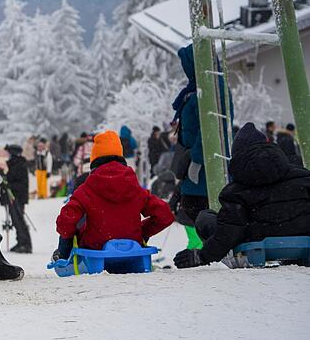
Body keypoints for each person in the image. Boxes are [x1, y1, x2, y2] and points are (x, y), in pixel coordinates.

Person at [174, 123, 310, 269]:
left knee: (205, 217)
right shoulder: (303, 177)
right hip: (303, 234)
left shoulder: (235, 192)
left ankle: (235, 260)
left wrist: (201, 256)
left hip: (254, 240)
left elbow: (227, 233)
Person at [54, 131, 174, 260]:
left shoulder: (86, 190)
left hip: (95, 250)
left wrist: (68, 238)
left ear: (94, 160)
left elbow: (65, 222)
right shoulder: (136, 189)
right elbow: (165, 215)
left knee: (73, 224)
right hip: (132, 249)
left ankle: (63, 256)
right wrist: (143, 231)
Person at [171, 44, 232, 250]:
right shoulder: (196, 89)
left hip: (205, 164)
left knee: (197, 206)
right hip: (193, 162)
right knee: (191, 205)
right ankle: (199, 246)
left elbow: (212, 127)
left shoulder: (213, 88)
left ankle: (204, 249)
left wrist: (197, 158)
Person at [0, 144, 31, 253]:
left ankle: (25, 243)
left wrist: (7, 184)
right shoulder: (15, 165)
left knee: (19, 220)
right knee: (16, 220)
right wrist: (3, 179)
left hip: (18, 197)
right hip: (14, 197)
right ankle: (20, 241)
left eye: (9, 153)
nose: (7, 156)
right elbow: (10, 180)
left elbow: (20, 184)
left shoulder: (19, 165)